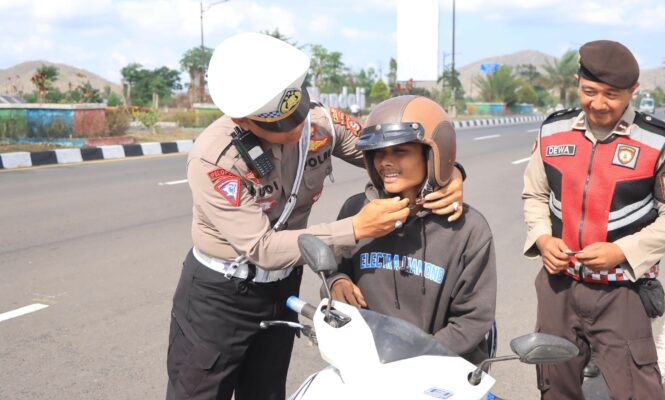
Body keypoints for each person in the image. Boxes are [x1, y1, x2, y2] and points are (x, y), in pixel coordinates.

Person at [165, 33, 467, 400]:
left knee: (266, 391)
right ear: (243, 119)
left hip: (281, 289)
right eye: (278, 124)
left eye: (299, 112)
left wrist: (449, 174)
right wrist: (357, 227)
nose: (295, 127)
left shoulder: (322, 124)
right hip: (220, 296)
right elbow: (261, 247)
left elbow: (396, 156)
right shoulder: (215, 161)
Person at [522, 40, 665, 399]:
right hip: (559, 287)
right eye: (589, 91)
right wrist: (542, 238)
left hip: (623, 290)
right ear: (577, 83)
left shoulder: (660, 142)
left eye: (612, 95)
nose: (598, 104)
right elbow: (536, 195)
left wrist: (622, 252)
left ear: (633, 92)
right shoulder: (552, 131)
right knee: (555, 386)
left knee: (637, 390)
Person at [327, 95, 497, 364]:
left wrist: (415, 355)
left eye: (400, 151)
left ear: (433, 154)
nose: (385, 162)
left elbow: (473, 318)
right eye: (379, 153)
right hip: (367, 362)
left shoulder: (467, 228)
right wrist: (336, 281)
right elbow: (333, 266)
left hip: (438, 366)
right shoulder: (358, 211)